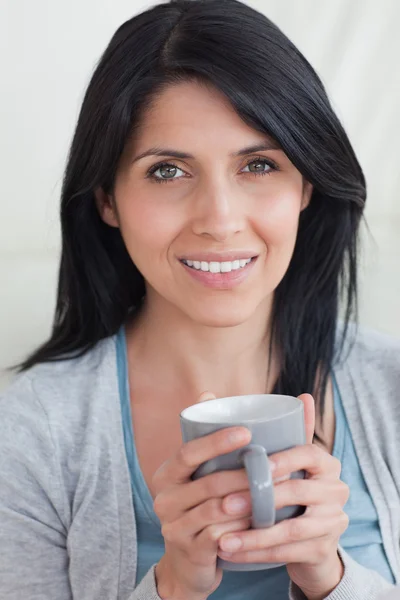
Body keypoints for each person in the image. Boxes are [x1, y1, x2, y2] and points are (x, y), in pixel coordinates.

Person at [1, 0, 399, 598]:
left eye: (259, 164)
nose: (219, 219)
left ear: (307, 186)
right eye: (168, 171)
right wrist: (174, 586)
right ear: (107, 199)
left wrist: (332, 578)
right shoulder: (32, 432)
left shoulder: (391, 391)